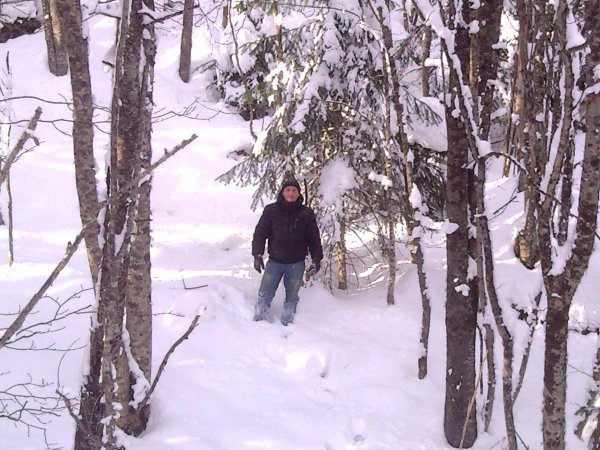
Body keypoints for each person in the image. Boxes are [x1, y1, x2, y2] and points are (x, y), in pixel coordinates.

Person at [251, 178, 323, 325]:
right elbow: (260, 233)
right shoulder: (271, 211)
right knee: (265, 293)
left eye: (294, 190)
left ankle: (287, 324)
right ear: (282, 192)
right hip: (275, 261)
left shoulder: (306, 213)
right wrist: (257, 254)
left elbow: (313, 238)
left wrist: (317, 259)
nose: (291, 193)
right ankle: (259, 322)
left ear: (298, 194)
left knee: (292, 296)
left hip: (296, 263)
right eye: (288, 190)